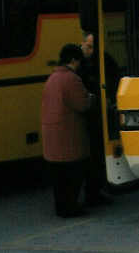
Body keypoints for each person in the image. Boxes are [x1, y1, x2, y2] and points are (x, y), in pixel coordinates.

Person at [41, 43, 94, 217]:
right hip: (68, 135)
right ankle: (70, 207)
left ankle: (61, 207)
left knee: (58, 179)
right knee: (73, 175)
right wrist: (91, 97)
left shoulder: (52, 78)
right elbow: (82, 104)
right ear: (73, 60)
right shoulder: (71, 79)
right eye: (78, 61)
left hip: (52, 135)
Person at [80, 31, 115, 206]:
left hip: (99, 114)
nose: (90, 50)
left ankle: (97, 189)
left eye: (93, 47)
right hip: (89, 115)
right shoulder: (80, 64)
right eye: (88, 46)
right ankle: (93, 192)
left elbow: (113, 80)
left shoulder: (104, 60)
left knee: (98, 155)